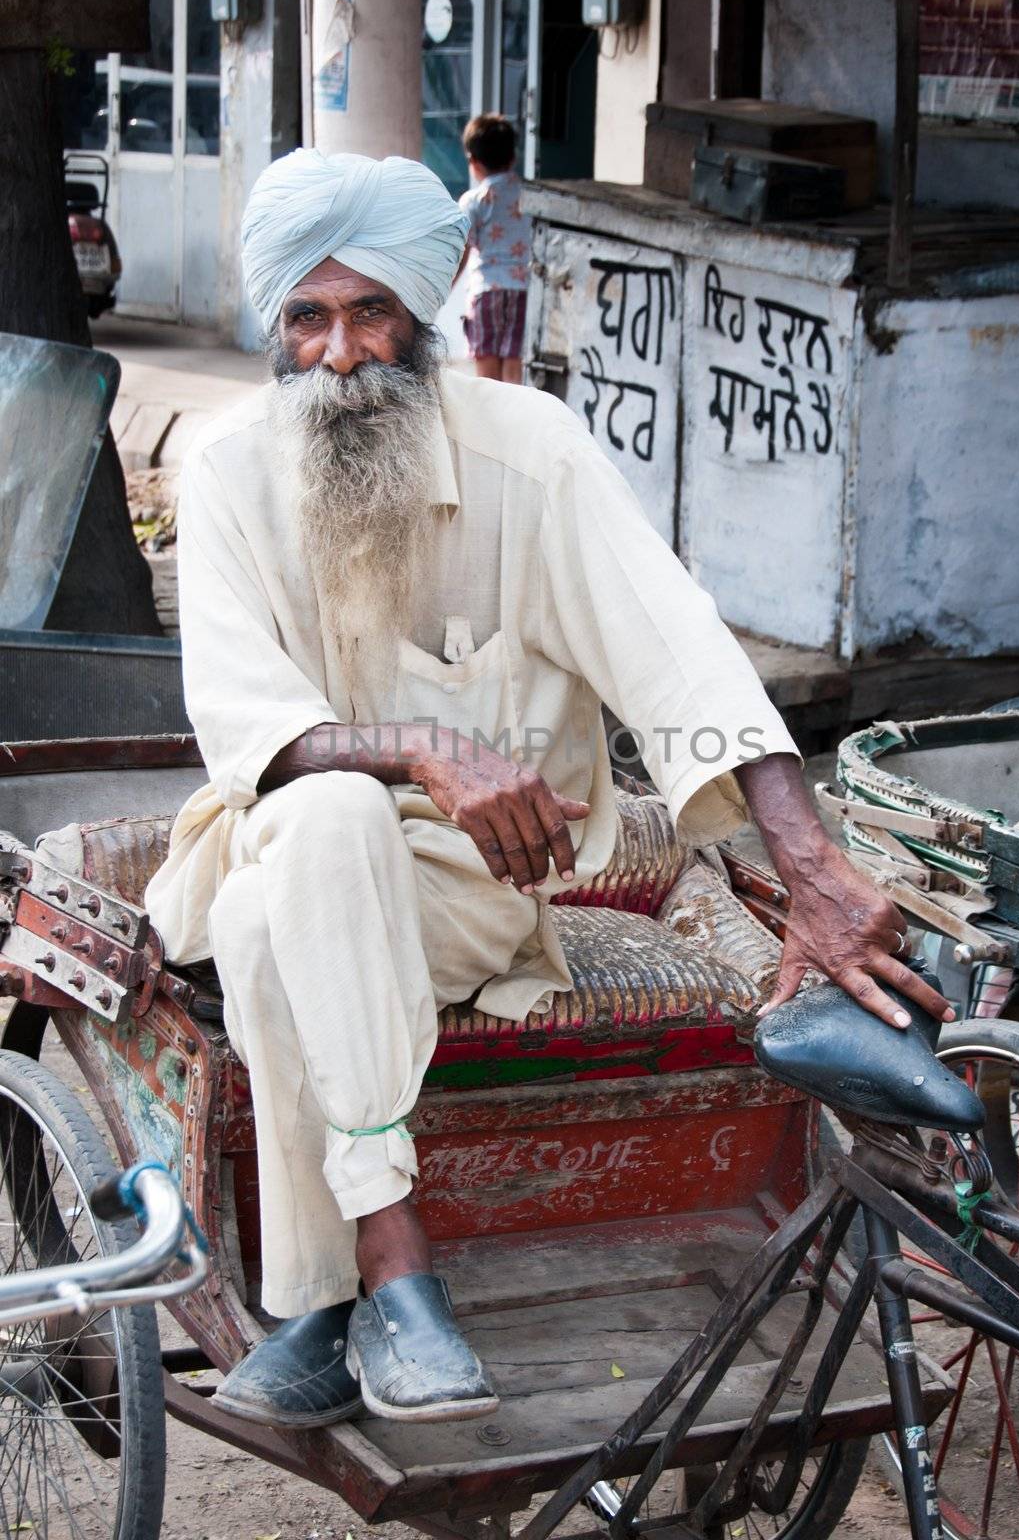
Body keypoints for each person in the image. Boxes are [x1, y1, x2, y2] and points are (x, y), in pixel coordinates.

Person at [145, 146, 954, 1433]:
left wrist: (811, 871)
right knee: (315, 825)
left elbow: (676, 646)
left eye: (372, 314)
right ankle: (397, 1264)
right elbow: (250, 725)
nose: (341, 353)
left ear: (423, 317)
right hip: (268, 845)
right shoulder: (231, 470)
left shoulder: (530, 454)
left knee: (265, 929)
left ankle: (315, 1306)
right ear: (274, 324)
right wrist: (424, 747)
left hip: (466, 905)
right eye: (307, 317)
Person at [457, 113, 529, 383]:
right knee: (515, 367)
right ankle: (515, 424)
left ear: (473, 162)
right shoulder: (532, 196)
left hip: (486, 292)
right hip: (524, 290)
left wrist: (443, 290)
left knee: (487, 377)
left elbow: (461, 255)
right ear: (513, 157)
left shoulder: (474, 201)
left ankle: (489, 424)